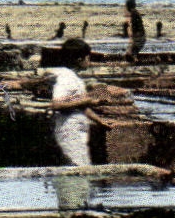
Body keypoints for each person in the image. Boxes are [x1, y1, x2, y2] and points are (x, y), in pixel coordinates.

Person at [45, 37, 125, 166]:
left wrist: (99, 121)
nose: (89, 61)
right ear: (79, 59)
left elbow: (80, 106)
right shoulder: (66, 78)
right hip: (69, 132)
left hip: (77, 132)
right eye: (88, 57)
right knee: (76, 170)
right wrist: (87, 100)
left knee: (82, 169)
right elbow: (57, 104)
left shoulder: (74, 78)